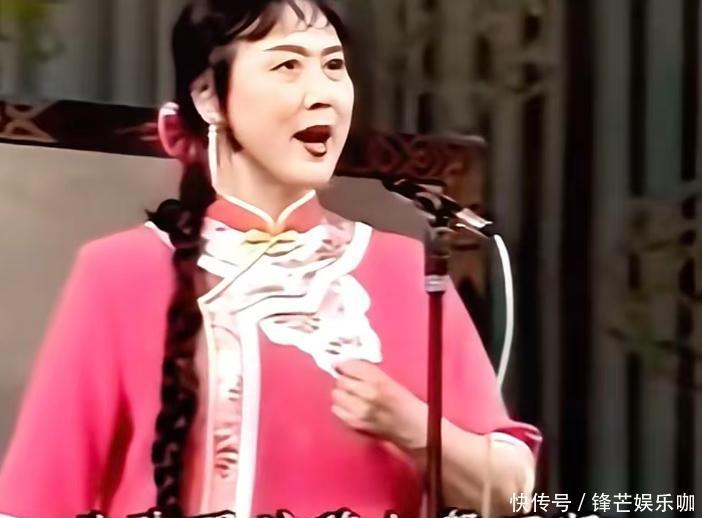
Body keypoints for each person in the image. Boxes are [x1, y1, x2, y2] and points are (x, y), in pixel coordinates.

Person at [0, 1, 541, 517]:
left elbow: (514, 492)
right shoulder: (121, 272)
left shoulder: (408, 271)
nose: (322, 94)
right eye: (288, 65)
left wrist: (411, 426)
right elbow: (36, 499)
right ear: (209, 97)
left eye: (334, 66)